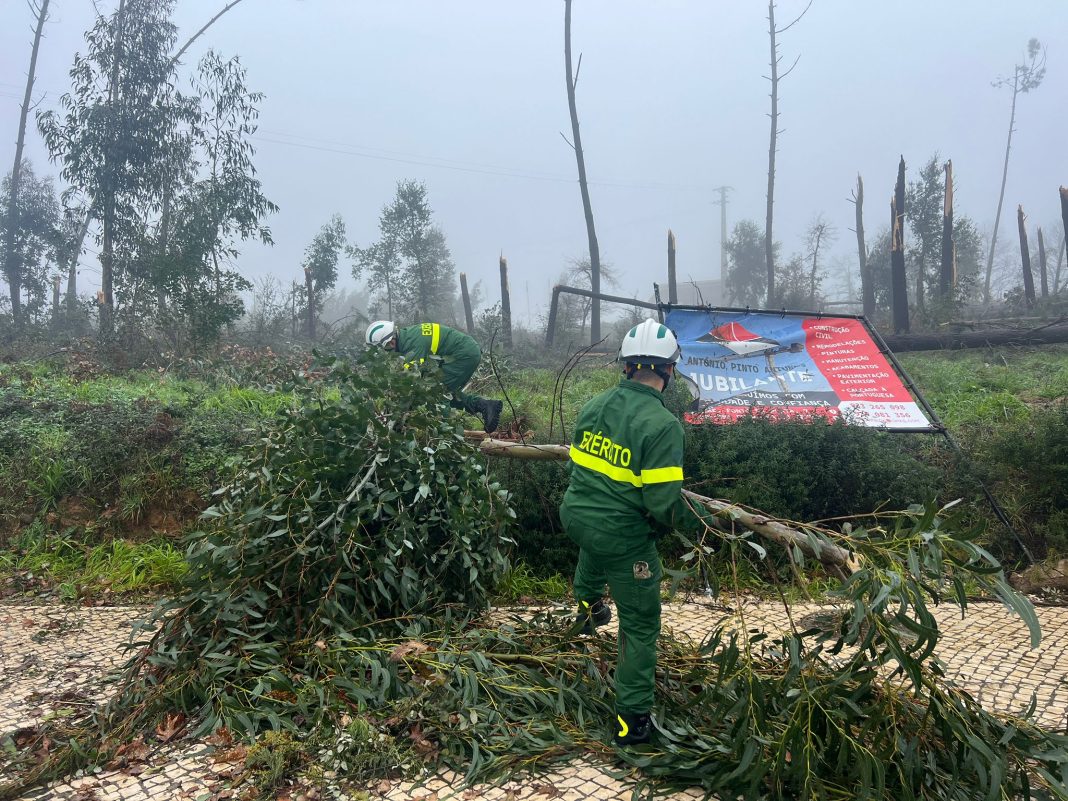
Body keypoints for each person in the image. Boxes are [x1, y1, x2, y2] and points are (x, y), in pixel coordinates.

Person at [559, 318, 704, 747]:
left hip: (576, 516)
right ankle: (631, 722)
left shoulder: (593, 405)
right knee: (640, 625)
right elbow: (663, 503)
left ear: (625, 367)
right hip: (621, 536)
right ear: (670, 372)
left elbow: (579, 468)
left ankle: (587, 612)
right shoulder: (663, 426)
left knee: (594, 542)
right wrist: (699, 527)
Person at [365, 320, 504, 433]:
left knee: (438, 395)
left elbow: (411, 384)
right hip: (466, 352)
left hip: (463, 355)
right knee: (448, 393)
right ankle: (485, 405)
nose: (387, 352)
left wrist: (399, 417)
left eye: (385, 349)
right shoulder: (408, 336)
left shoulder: (412, 346)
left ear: (390, 342)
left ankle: (446, 436)